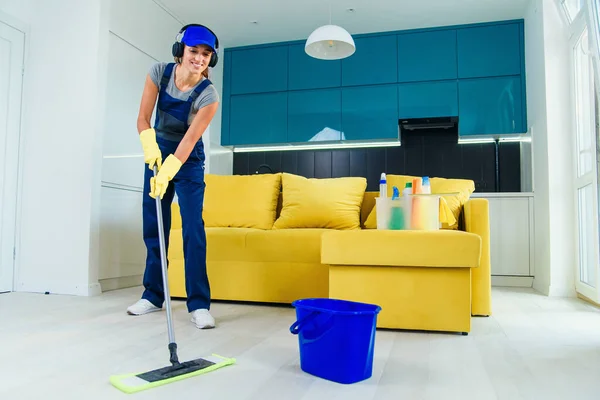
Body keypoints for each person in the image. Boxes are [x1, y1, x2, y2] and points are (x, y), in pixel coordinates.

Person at [126, 24, 220, 329]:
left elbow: (191, 139)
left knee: (193, 227)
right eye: (194, 51)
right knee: (155, 223)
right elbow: (143, 117)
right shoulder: (158, 72)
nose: (200, 58)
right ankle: (153, 295)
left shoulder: (208, 94)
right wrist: (148, 145)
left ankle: (199, 304)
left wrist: (169, 170)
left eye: (206, 54)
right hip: (157, 149)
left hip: (188, 160)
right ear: (180, 51)